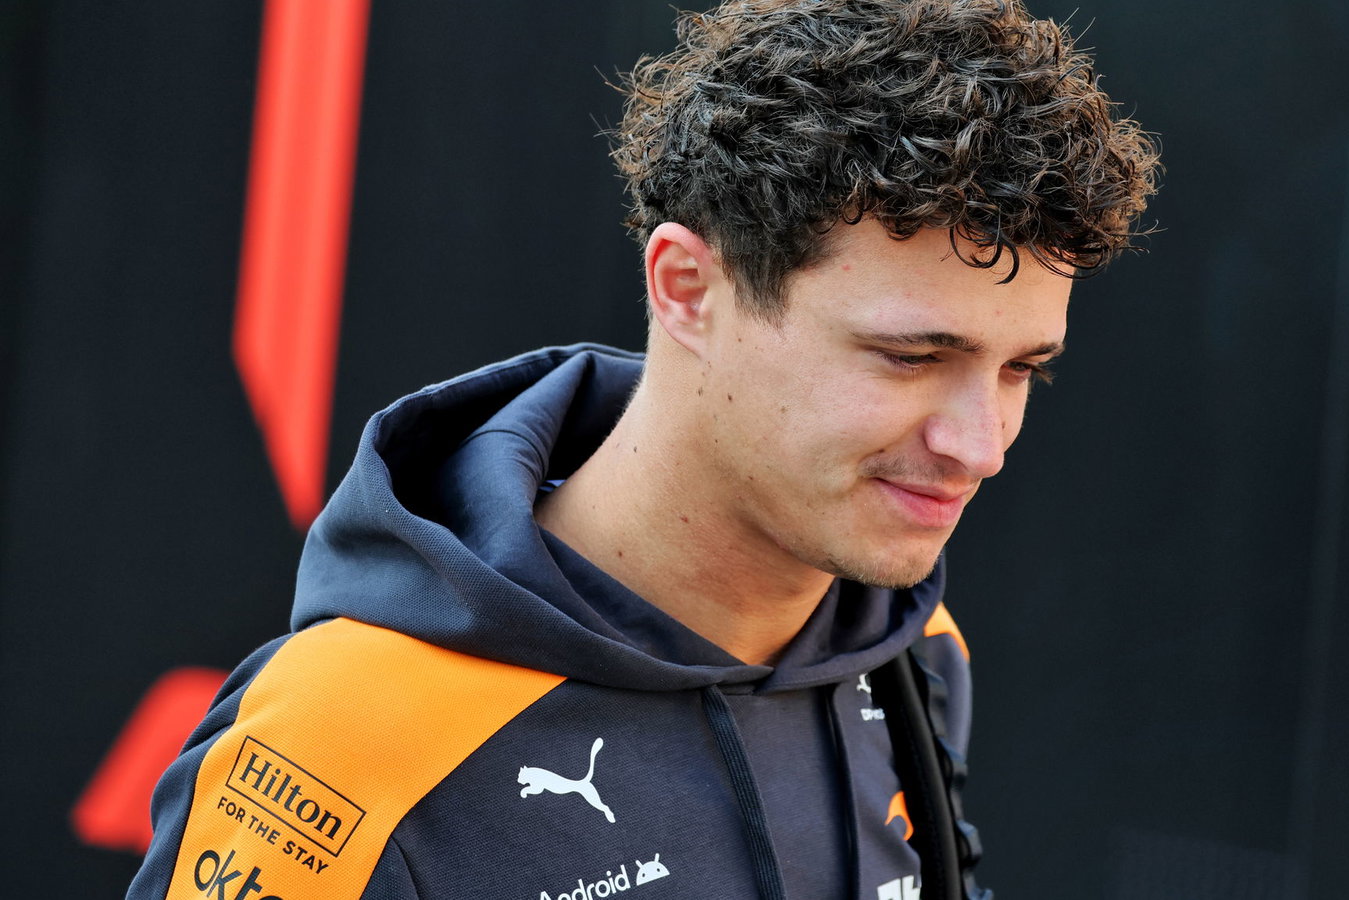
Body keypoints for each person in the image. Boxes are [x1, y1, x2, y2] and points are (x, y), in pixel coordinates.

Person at [128, 0, 1157, 897]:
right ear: (686, 289)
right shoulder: (339, 745)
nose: (979, 446)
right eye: (910, 356)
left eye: (1022, 370)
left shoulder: (912, 650)